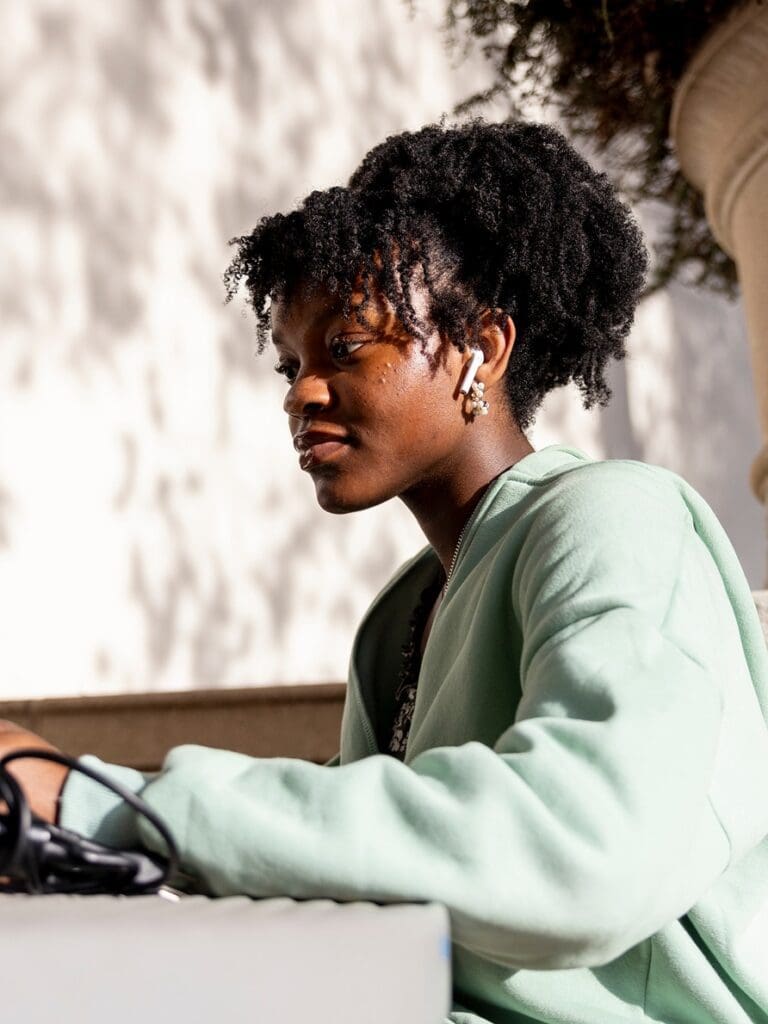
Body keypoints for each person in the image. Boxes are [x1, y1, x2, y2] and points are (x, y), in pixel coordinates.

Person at [2, 119, 768, 1024]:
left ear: (481, 348)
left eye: (345, 349)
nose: (300, 392)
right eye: (289, 364)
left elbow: (579, 851)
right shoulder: (403, 615)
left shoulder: (612, 514)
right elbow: (365, 875)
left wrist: (94, 799)